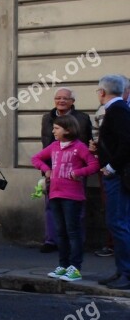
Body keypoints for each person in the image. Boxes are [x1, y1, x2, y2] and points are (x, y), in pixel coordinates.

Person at [31, 114, 99, 282]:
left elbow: (94, 165)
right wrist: (47, 170)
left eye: (56, 128)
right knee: (60, 232)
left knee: (72, 231)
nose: (53, 131)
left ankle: (75, 267)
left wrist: (78, 173)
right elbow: (36, 158)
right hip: (55, 193)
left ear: (67, 129)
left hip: (72, 196)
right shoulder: (54, 146)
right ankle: (63, 265)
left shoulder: (79, 147)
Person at [39, 87, 93, 253]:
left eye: (65, 98)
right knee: (51, 206)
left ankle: (76, 241)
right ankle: (51, 240)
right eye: (58, 98)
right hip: (53, 170)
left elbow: (87, 143)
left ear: (72, 101)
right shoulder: (47, 118)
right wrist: (46, 169)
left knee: (77, 208)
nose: (61, 101)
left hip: (74, 171)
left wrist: (81, 170)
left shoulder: (83, 118)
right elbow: (45, 143)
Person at [92, 75, 130, 290]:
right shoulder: (118, 109)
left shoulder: (117, 110)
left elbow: (127, 142)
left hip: (118, 176)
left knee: (119, 223)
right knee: (118, 223)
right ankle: (121, 271)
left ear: (102, 92)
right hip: (117, 175)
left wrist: (111, 167)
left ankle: (126, 272)